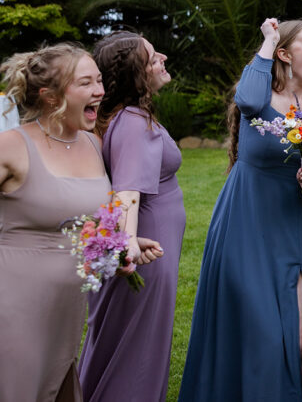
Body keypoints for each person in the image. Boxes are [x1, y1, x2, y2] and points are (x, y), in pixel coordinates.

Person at [179, 18, 302, 402]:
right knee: (257, 334)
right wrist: (267, 40)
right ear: (284, 53)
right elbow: (246, 100)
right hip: (245, 222)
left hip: (294, 223)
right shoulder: (259, 92)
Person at [0, 44, 113, 402]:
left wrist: (122, 247)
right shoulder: (12, 146)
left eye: (99, 80)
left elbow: (86, 219)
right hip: (14, 304)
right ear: (50, 97)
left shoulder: (93, 144)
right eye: (86, 83)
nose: (100, 91)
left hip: (67, 307)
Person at [79, 32, 186, 402]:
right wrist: (127, 247)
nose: (164, 59)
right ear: (136, 74)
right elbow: (127, 193)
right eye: (154, 57)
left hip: (149, 246)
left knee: (131, 350)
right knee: (136, 356)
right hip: (146, 252)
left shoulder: (126, 119)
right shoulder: (133, 123)